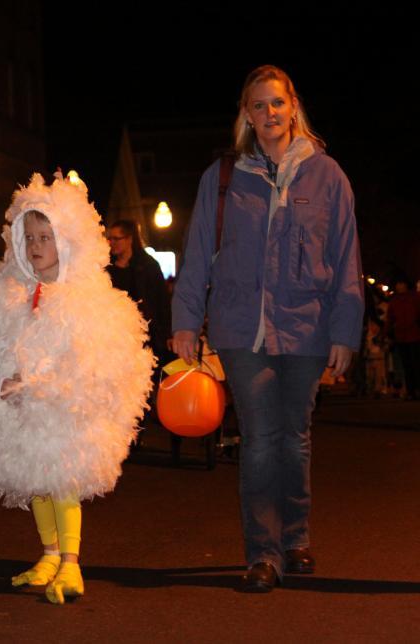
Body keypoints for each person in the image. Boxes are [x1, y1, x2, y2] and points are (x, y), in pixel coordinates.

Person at [171, 65, 364, 592]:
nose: (269, 113)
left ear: (293, 106)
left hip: (307, 327)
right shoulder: (224, 176)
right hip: (240, 330)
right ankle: (264, 553)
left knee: (295, 438)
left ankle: (297, 536)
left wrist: (346, 331)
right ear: (247, 116)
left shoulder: (329, 176)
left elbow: (346, 259)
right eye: (258, 105)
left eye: (277, 102)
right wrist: (186, 320)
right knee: (259, 440)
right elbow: (197, 254)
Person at [0, 172, 154, 604]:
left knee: (62, 478)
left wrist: (38, 386)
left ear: (67, 239)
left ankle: (71, 563)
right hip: (15, 410)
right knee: (34, 479)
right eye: (29, 236)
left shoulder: (86, 296)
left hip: (63, 410)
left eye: (45, 236)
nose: (36, 246)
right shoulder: (4, 289)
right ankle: (49, 555)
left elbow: (95, 358)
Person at [106, 219, 171, 366]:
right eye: (109, 238)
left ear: (129, 239)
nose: (111, 242)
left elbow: (162, 302)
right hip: (116, 334)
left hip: (145, 335)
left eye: (116, 238)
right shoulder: (107, 267)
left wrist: (166, 333)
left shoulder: (148, 266)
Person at [384, 279, 420, 400]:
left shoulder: (415, 298)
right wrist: (386, 333)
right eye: (398, 283)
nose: (399, 286)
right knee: (406, 365)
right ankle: (411, 391)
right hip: (401, 337)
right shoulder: (394, 301)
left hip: (415, 335)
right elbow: (390, 319)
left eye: (401, 283)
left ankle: (416, 389)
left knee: (416, 364)